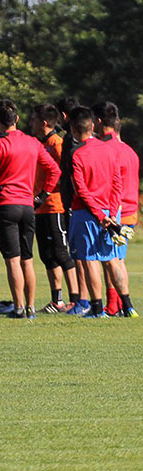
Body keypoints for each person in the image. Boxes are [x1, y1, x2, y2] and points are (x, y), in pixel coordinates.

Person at [0, 99, 59, 319]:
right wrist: (42, 196)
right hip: (27, 206)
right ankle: (31, 308)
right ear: (16, 119)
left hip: (6, 205)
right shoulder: (33, 142)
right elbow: (54, 170)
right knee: (28, 258)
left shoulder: (0, 143)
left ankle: (18, 307)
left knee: (13, 260)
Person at [66, 106, 134, 318]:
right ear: (93, 125)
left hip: (87, 213)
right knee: (113, 258)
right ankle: (128, 306)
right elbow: (117, 184)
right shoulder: (111, 150)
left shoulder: (76, 153)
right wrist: (113, 214)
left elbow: (81, 190)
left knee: (90, 259)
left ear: (73, 130)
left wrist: (100, 215)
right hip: (111, 211)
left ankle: (96, 308)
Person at [30, 104, 79, 312]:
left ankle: (77, 300)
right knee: (47, 255)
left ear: (43, 123)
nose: (30, 124)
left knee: (61, 252)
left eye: (33, 120)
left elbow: (63, 174)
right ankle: (56, 300)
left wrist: (47, 192)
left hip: (55, 206)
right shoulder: (39, 144)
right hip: (39, 207)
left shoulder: (57, 143)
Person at [93, 102, 138, 316]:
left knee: (111, 260)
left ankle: (116, 305)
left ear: (99, 121)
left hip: (116, 212)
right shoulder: (129, 151)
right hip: (131, 211)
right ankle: (119, 306)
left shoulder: (105, 150)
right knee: (116, 259)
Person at [55, 96, 90, 315]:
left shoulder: (70, 140)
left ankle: (82, 300)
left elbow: (69, 173)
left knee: (80, 254)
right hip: (92, 201)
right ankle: (87, 300)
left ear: (65, 116)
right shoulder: (91, 139)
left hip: (76, 202)